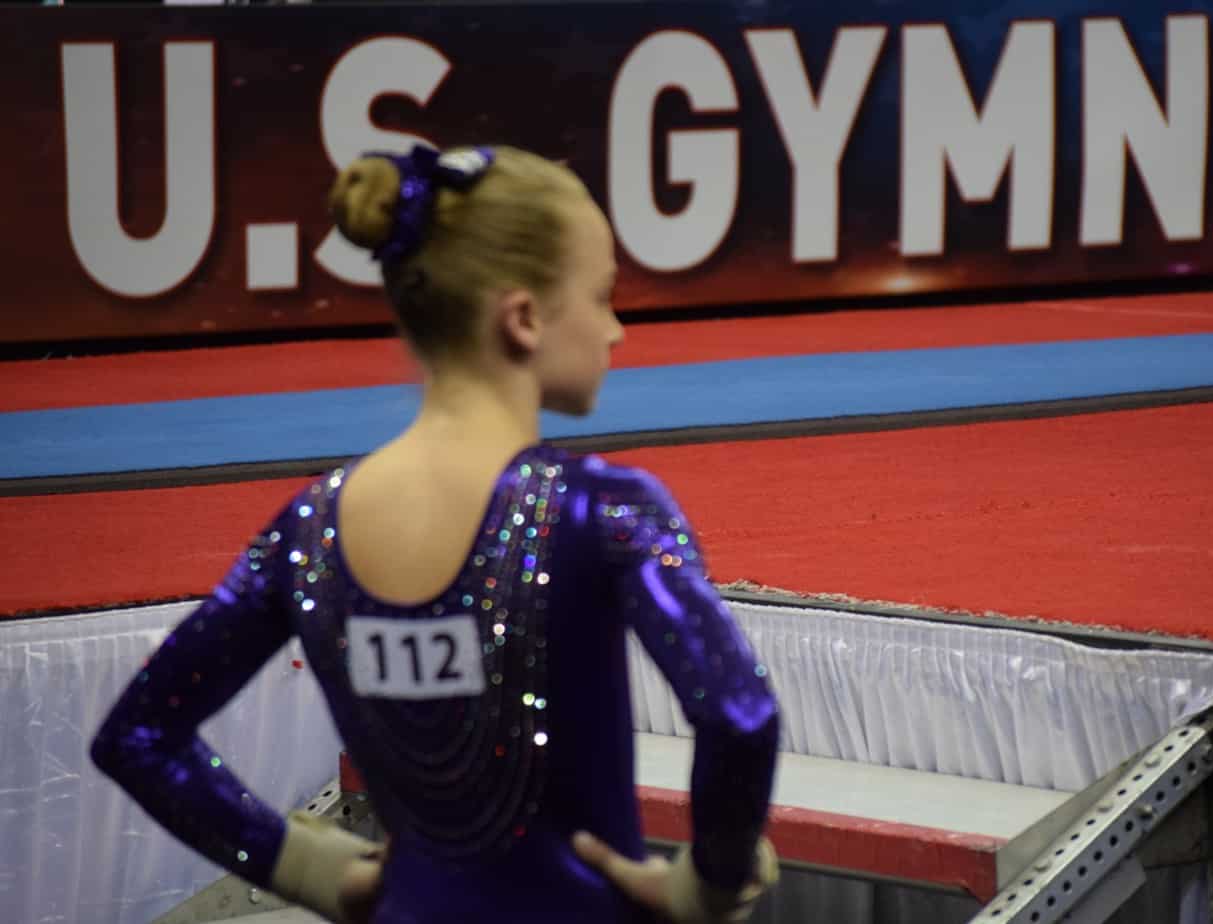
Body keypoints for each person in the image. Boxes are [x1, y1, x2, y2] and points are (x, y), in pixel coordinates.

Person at [90, 143, 781, 923]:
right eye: (601, 297)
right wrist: (707, 883)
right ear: (523, 318)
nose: (616, 330)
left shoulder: (311, 530)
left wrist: (307, 867)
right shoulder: (602, 510)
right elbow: (740, 716)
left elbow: (138, 735)